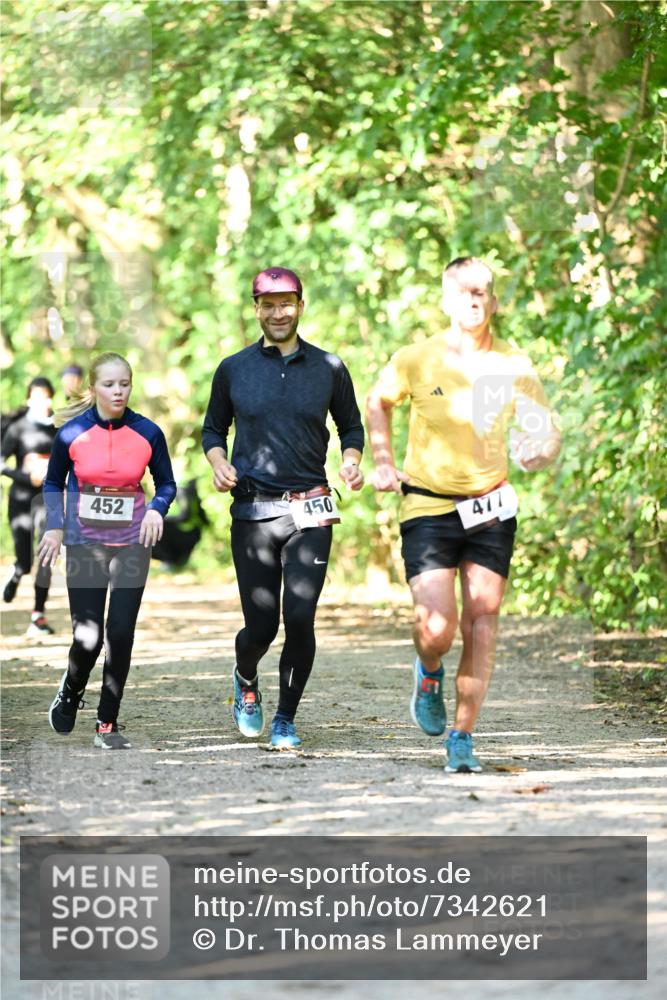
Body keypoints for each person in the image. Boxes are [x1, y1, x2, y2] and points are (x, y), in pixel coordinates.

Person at [366, 257, 560, 773]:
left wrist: (540, 449)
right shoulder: (416, 358)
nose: (473, 301)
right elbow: (378, 402)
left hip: (491, 508)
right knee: (437, 627)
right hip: (428, 505)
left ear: (494, 301)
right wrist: (383, 460)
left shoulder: (513, 364)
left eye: (481, 293)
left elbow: (545, 430)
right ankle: (428, 670)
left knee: (482, 621)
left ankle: (462, 735)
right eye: (463, 293)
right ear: (446, 300)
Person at [202, 267, 364, 749]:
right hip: (253, 512)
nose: (278, 313)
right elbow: (213, 430)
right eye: (269, 305)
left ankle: (285, 719)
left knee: (300, 616)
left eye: (286, 304)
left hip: (310, 510)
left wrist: (351, 461)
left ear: (300, 306)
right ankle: (246, 677)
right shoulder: (233, 368)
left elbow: (351, 427)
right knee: (261, 627)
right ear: (256, 309)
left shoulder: (329, 367)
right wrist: (218, 463)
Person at [38, 352, 176, 749]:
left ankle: (107, 723)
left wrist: (156, 509)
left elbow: (166, 484)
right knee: (88, 637)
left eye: (124, 384)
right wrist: (54, 526)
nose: (118, 391)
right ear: (93, 388)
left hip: (132, 542)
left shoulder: (148, 432)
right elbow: (53, 482)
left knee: (120, 632)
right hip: (84, 543)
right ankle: (71, 688)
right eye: (109, 384)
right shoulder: (72, 433)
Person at [1, 377, 57, 635]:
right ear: (28, 399)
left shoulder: (59, 427)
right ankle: (17, 572)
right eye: (36, 397)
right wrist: (26, 477)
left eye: (46, 396)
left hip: (48, 499)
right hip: (21, 500)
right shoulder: (18, 428)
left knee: (46, 555)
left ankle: (38, 616)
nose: (42, 401)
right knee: (25, 561)